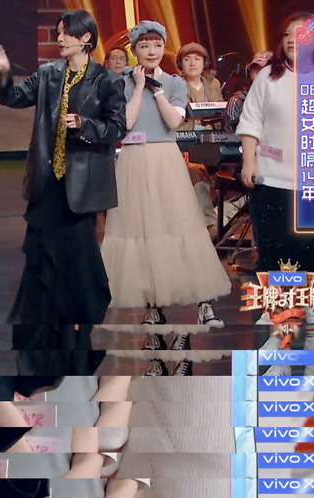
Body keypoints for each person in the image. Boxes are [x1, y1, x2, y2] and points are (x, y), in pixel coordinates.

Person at [0, 9, 126, 377]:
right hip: (48, 185)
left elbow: (116, 127)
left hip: (82, 190)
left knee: (78, 267)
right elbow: (13, 97)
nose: (59, 38)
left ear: (86, 38)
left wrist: (85, 124)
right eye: (58, 32)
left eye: (66, 33)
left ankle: (79, 342)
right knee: (42, 262)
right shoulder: (48, 75)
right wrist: (3, 72)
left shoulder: (107, 80)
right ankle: (40, 350)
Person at [100, 20, 231, 377]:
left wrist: (157, 91)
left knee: (174, 225)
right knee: (138, 229)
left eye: (157, 45)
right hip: (133, 159)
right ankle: (152, 310)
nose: (152, 51)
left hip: (165, 159)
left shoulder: (174, 83)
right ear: (135, 50)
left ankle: (191, 307)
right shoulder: (122, 82)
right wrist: (140, 87)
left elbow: (174, 122)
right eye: (145, 46)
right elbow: (126, 124)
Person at [238, 12, 314, 374]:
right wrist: (249, 161)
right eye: (288, 34)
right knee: (280, 261)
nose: (295, 39)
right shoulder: (268, 77)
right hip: (274, 184)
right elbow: (251, 122)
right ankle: (282, 341)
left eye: (304, 34)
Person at [177, 42, 223, 228]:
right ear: (180, 64)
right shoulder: (175, 84)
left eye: (197, 59)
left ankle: (218, 218)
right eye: (187, 59)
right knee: (196, 167)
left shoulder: (213, 84)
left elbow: (220, 113)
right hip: (185, 140)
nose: (192, 63)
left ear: (205, 62)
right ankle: (209, 222)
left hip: (212, 139)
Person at [224, 51, 272, 131]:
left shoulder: (284, 100)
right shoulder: (238, 101)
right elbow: (230, 133)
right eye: (255, 69)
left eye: (263, 69)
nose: (259, 73)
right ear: (249, 73)